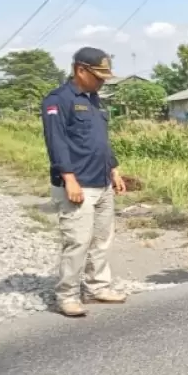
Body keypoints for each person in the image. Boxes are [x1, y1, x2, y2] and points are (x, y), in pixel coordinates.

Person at [41, 47, 128, 317]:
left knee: (102, 240)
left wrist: (113, 170)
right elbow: (56, 143)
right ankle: (67, 295)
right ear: (80, 70)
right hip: (78, 184)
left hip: (101, 180)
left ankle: (97, 287)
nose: (102, 82)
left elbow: (100, 140)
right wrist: (69, 179)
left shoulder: (94, 99)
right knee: (78, 241)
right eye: (98, 76)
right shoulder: (58, 100)